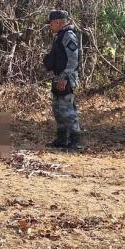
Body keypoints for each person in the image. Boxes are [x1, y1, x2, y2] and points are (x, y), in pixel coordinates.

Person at [43, 10, 83, 151]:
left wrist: (64, 78)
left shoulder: (68, 35)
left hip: (66, 78)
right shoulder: (60, 36)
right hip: (58, 76)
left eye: (52, 23)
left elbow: (73, 60)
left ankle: (75, 142)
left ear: (59, 22)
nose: (50, 26)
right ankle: (61, 139)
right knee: (58, 109)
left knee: (68, 110)